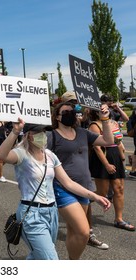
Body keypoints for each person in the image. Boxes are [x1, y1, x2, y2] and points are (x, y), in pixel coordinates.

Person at [0, 119, 111, 260]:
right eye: (39, 132)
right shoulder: (21, 154)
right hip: (32, 214)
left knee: (37, 256)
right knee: (50, 259)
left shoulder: (50, 155)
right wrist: (15, 131)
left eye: (45, 132)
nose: (44, 135)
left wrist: (95, 197)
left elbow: (68, 183)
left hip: (51, 213)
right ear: (29, 135)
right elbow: (1, 156)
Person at [47, 102, 113, 259]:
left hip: (84, 188)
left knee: (74, 230)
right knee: (83, 232)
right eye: (65, 112)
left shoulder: (83, 133)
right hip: (63, 188)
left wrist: (105, 119)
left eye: (72, 111)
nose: (70, 114)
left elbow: (108, 141)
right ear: (57, 116)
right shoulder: (52, 136)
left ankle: (71, 260)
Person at [88, 109, 135, 231]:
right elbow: (97, 147)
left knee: (119, 189)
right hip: (102, 158)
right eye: (102, 111)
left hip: (115, 156)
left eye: (107, 111)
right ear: (97, 112)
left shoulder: (114, 123)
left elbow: (119, 142)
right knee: (102, 193)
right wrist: (107, 164)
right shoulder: (94, 125)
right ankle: (83, 200)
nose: (105, 112)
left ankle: (119, 219)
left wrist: (122, 155)